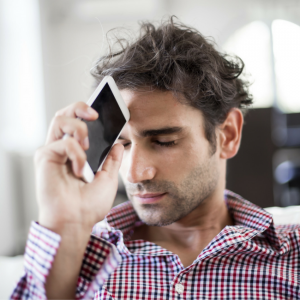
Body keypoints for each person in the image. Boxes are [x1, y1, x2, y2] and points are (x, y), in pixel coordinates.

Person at [11, 17, 300, 300]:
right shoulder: (76, 258)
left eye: (164, 142)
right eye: (122, 144)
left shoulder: (292, 255)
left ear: (228, 135)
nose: (135, 174)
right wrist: (66, 228)